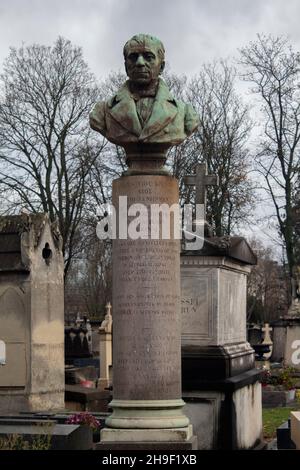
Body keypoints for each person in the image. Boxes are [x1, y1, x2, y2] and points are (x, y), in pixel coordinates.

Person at [90, 34, 199, 148]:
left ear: (161, 66)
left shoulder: (185, 113)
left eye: (148, 57)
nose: (140, 63)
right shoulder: (102, 112)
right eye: (133, 57)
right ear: (126, 67)